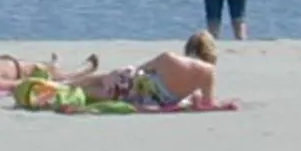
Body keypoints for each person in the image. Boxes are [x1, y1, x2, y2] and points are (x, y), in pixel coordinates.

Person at [72, 31, 219, 108]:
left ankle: (65, 83)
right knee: (90, 93)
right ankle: (62, 87)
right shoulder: (207, 72)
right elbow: (207, 103)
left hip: (131, 82)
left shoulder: (168, 57)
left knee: (98, 80)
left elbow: (139, 70)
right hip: (140, 97)